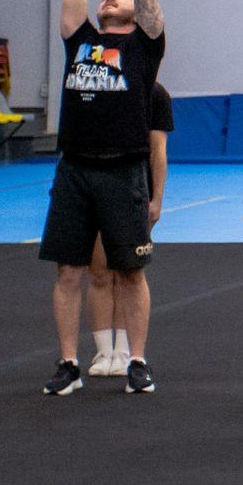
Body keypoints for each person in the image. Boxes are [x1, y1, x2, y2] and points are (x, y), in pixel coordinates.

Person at [39, 0, 165, 396]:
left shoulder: (144, 46)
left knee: (130, 271)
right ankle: (69, 363)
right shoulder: (80, 40)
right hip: (75, 168)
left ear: (135, 13)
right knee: (68, 271)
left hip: (123, 169)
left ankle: (137, 361)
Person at [84, 82, 171, 378]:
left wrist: (156, 198)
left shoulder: (156, 94)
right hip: (97, 187)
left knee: (128, 272)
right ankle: (103, 351)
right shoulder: (101, 88)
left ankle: (124, 351)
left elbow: (158, 151)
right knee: (98, 271)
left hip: (133, 191)